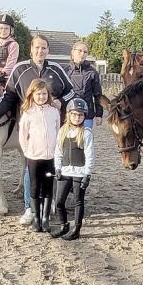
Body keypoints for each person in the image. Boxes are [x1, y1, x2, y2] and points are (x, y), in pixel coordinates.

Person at [0, 34, 75, 224]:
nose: (40, 51)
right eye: (37, 48)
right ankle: (29, 208)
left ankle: (48, 205)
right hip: (30, 126)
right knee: (30, 169)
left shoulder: (56, 69)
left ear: (48, 50)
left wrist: (59, 101)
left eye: (44, 48)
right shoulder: (20, 69)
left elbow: (71, 91)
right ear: (31, 49)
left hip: (53, 123)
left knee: (52, 165)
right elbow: (8, 97)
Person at [18, 79, 60, 233]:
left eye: (44, 94)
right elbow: (23, 136)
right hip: (34, 157)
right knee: (35, 187)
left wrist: (56, 151)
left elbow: (56, 131)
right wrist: (28, 151)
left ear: (48, 94)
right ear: (32, 95)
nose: (41, 97)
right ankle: (36, 218)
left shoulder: (53, 111)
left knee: (48, 186)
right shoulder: (28, 113)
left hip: (50, 156)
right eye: (38, 94)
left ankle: (45, 217)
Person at [52, 98, 95, 240]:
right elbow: (58, 151)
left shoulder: (86, 133)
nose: (77, 118)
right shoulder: (62, 132)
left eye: (81, 115)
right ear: (69, 114)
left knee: (78, 201)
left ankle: (77, 228)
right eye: (75, 114)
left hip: (80, 172)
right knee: (59, 201)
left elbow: (90, 155)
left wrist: (87, 174)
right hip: (64, 172)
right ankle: (64, 225)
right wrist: (57, 168)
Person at [63, 41, 103, 129]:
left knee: (84, 141)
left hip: (86, 116)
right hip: (68, 115)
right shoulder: (64, 71)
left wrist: (99, 114)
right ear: (73, 52)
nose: (82, 54)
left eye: (85, 52)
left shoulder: (92, 72)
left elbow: (97, 95)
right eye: (79, 51)